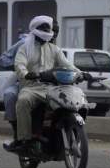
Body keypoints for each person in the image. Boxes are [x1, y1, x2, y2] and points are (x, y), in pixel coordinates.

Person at [7, 16, 80, 151]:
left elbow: (68, 65)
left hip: (52, 88)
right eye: (43, 29)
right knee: (23, 101)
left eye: (48, 29)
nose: (47, 32)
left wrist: (81, 73)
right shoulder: (25, 48)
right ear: (35, 31)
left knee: (70, 101)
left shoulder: (55, 49)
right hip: (31, 87)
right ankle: (25, 139)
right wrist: (26, 74)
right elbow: (20, 65)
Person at [0, 20, 60, 142]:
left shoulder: (54, 48)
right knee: (11, 96)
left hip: (49, 84)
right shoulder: (24, 44)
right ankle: (18, 133)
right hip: (25, 82)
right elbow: (3, 60)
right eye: (51, 30)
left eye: (56, 31)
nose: (53, 34)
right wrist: (21, 68)